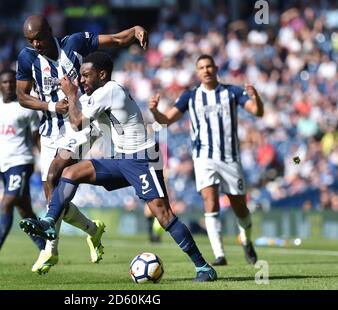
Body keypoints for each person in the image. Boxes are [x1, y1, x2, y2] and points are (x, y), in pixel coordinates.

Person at [19, 51, 217, 282]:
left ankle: (203, 267)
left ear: (102, 74)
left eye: (86, 75)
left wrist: (71, 94)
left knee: (164, 216)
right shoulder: (96, 94)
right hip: (121, 159)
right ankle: (49, 222)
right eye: (80, 76)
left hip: (143, 158)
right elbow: (76, 118)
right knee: (71, 172)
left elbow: (76, 122)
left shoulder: (110, 90)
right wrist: (61, 102)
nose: (81, 80)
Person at [15, 15, 149, 274]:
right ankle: (92, 229)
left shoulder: (74, 43)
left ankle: (49, 250)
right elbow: (22, 96)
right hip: (50, 129)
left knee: (56, 173)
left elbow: (116, 40)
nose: (36, 44)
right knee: (51, 194)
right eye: (30, 40)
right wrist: (51, 105)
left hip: (81, 122)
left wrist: (134, 29)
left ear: (50, 31)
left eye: (39, 38)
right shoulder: (26, 58)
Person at [148, 54, 263, 266]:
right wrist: (155, 111)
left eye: (209, 66)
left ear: (216, 67)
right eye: (201, 67)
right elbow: (165, 121)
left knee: (240, 207)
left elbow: (257, 112)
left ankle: (246, 239)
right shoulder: (190, 96)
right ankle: (219, 255)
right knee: (210, 202)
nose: (206, 70)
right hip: (203, 158)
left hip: (230, 158)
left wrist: (256, 98)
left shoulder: (232, 92)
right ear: (197, 72)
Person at [0, 69, 46, 266]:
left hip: (22, 162)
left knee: (6, 203)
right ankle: (45, 247)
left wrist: (46, 163)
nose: (8, 86)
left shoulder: (26, 108)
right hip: (6, 166)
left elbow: (36, 138)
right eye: (4, 83)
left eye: (11, 82)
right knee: (25, 211)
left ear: (16, 84)